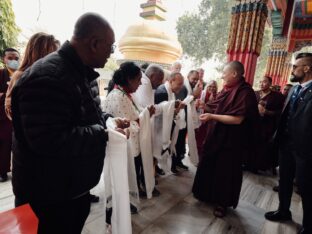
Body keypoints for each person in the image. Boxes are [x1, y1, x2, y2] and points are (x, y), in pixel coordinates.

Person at [11, 13, 128, 233]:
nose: (110, 54)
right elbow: (49, 140)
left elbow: (87, 115)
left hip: (71, 189)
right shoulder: (48, 76)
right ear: (94, 43)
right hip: (48, 197)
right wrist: (101, 133)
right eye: (110, 47)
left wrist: (109, 121)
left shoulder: (82, 73)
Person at [192, 61, 259, 218]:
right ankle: (206, 194)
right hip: (216, 137)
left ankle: (222, 203)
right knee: (210, 165)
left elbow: (237, 119)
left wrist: (211, 116)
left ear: (234, 74)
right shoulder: (227, 90)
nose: (222, 76)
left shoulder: (245, 92)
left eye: (224, 73)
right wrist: (203, 104)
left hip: (232, 142)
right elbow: (215, 107)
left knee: (225, 173)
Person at [265, 53, 312, 234]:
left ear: (306, 68)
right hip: (285, 145)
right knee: (284, 181)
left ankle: (308, 226)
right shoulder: (293, 89)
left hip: (305, 150)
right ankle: (283, 211)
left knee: (306, 187)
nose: (292, 70)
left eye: (295, 66)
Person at [102, 62, 156, 215]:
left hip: (133, 146)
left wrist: (145, 115)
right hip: (125, 146)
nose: (140, 83)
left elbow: (133, 118)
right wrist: (145, 116)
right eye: (138, 79)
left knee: (130, 177)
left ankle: (126, 203)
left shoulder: (126, 95)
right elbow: (129, 125)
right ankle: (118, 208)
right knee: (122, 179)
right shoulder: (118, 96)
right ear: (128, 79)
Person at [253, 76, 284, 171]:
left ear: (270, 83)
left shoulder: (277, 96)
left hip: (268, 125)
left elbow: (281, 112)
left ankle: (260, 166)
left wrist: (267, 112)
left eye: (264, 82)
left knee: (263, 146)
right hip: (254, 124)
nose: (261, 84)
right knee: (252, 144)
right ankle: (249, 164)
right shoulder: (255, 94)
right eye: (260, 82)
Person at [0, 48, 20, 182]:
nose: (13, 61)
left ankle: (19, 170)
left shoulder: (22, 73)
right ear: (4, 59)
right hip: (3, 116)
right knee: (3, 145)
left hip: (19, 115)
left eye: (16, 58)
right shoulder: (1, 74)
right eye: (10, 58)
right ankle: (2, 171)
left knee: (19, 145)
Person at [195, 80, 218, 157]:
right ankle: (196, 153)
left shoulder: (217, 96)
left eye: (214, 87)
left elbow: (214, 110)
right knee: (198, 137)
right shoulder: (202, 94)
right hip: (199, 117)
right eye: (210, 86)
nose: (212, 88)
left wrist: (208, 104)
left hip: (210, 120)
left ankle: (201, 154)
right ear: (207, 86)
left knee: (205, 138)